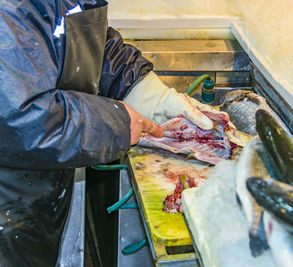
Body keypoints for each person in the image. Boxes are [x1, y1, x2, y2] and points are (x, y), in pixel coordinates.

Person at [0, 0, 215, 266]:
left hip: (33, 197)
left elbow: (82, 42)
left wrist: (150, 96)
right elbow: (16, 117)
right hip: (8, 203)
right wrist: (116, 121)